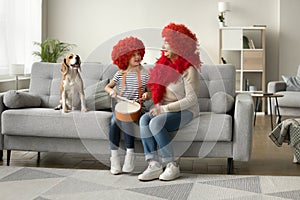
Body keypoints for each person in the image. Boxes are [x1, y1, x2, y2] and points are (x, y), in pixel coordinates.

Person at [138, 23, 201, 181]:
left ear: (180, 46)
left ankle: (171, 165)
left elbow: (191, 99)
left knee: (156, 123)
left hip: (186, 110)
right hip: (165, 108)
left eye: (168, 42)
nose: (163, 45)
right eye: (164, 41)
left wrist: (164, 109)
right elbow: (160, 92)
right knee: (144, 119)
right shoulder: (163, 66)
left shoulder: (188, 70)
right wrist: (151, 97)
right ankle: (154, 164)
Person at [105, 36, 150, 175]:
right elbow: (107, 87)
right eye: (133, 55)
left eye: (139, 54)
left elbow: (151, 91)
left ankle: (130, 155)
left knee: (126, 119)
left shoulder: (145, 74)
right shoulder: (119, 74)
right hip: (121, 107)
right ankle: (115, 158)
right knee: (114, 121)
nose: (137, 57)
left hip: (138, 109)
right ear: (125, 57)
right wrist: (111, 91)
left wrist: (147, 95)